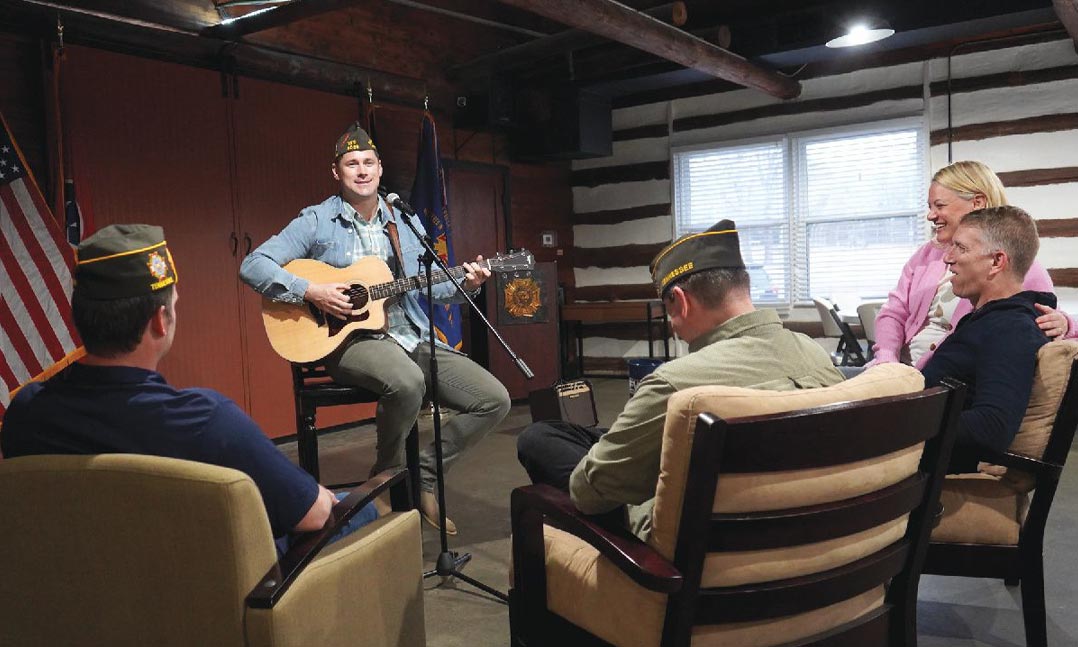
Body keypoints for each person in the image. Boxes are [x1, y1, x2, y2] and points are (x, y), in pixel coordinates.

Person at [1, 224, 374, 553]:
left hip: (80, 607)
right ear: (160, 321)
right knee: (363, 509)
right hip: (207, 605)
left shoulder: (26, 413)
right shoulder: (207, 422)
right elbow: (313, 514)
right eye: (173, 305)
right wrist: (325, 498)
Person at [240, 122, 510, 535]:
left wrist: (466, 284)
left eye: (368, 162)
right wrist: (311, 291)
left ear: (381, 169)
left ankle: (423, 476)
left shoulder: (405, 221)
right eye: (352, 164)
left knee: (494, 399)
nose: (362, 170)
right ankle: (386, 479)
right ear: (337, 172)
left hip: (409, 335)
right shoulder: (316, 221)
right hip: (348, 341)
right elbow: (253, 264)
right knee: (407, 382)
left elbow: (434, 286)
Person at [516, 220, 845, 539]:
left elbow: (590, 495)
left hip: (689, 548)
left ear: (680, 300)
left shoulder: (675, 385)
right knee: (574, 434)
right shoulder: (816, 355)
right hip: (808, 523)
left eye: (667, 307)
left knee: (538, 439)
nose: (672, 325)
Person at [872, 160, 1075, 369]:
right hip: (897, 371)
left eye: (940, 205)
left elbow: (1054, 319)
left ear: (977, 203)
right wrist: (886, 359)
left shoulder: (1021, 267)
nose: (930, 215)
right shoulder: (926, 254)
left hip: (938, 381)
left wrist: (1065, 324)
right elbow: (893, 313)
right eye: (930, 207)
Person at [921, 206, 1054, 472]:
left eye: (961, 248)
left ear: (996, 262)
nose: (948, 258)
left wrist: (897, 423)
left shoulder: (1010, 329)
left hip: (916, 475)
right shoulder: (986, 320)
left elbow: (992, 426)